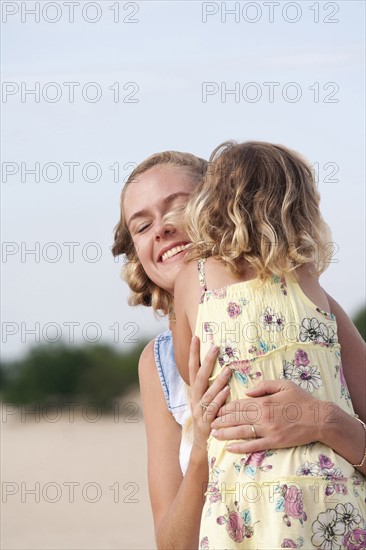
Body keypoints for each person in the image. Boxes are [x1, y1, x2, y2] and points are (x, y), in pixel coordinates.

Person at [112, 149, 366, 550]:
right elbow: (173, 545)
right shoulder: (158, 364)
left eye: (178, 207)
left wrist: (324, 420)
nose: (160, 229)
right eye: (142, 226)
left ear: (223, 205)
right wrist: (201, 450)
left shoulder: (315, 305)